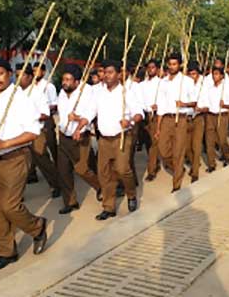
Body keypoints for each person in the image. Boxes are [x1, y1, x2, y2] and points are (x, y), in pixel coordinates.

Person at [0, 57, 48, 271]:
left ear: (9, 74)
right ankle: (7, 251)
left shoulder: (21, 99)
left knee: (10, 206)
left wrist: (6, 142)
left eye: (0, 73)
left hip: (15, 157)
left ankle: (37, 227)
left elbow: (33, 132)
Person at [76, 60, 143, 220]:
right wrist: (81, 126)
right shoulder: (98, 93)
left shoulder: (126, 92)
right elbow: (90, 112)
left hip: (122, 137)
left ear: (119, 74)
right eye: (105, 72)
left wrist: (130, 121)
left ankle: (131, 194)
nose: (106, 75)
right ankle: (109, 207)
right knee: (104, 174)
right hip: (104, 139)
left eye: (110, 72)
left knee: (122, 169)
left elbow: (139, 113)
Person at [56, 64, 102, 214]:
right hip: (63, 135)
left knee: (81, 169)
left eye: (68, 80)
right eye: (63, 79)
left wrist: (76, 119)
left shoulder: (87, 92)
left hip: (80, 136)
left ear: (77, 81)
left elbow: (91, 113)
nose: (65, 82)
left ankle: (100, 186)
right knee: (63, 171)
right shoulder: (62, 92)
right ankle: (70, 201)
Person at [17, 63, 60, 195]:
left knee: (42, 158)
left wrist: (29, 117)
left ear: (30, 77)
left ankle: (57, 184)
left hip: (36, 131)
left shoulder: (37, 93)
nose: (19, 78)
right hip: (19, 132)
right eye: (17, 75)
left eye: (22, 75)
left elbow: (45, 113)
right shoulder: (15, 92)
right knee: (20, 161)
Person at [155, 53, 195, 193]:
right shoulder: (163, 81)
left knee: (178, 151)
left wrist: (184, 103)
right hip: (166, 119)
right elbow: (160, 105)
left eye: (175, 64)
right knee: (163, 151)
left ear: (179, 65)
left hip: (181, 118)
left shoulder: (187, 81)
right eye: (170, 64)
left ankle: (176, 183)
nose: (172, 67)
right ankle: (179, 168)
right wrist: (158, 127)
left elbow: (195, 102)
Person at [199, 66, 229, 171]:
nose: (215, 76)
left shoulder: (226, 89)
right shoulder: (209, 89)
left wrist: (224, 105)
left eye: (217, 74)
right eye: (214, 74)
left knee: (222, 139)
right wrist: (201, 108)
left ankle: (227, 156)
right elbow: (204, 102)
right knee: (209, 140)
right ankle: (211, 164)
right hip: (210, 115)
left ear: (222, 76)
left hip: (221, 115)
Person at [140, 59, 162, 181]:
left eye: (153, 67)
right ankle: (155, 163)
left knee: (154, 143)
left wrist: (159, 105)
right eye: (148, 67)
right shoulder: (142, 84)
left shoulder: (161, 83)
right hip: (144, 115)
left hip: (156, 115)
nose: (150, 70)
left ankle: (151, 170)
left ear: (157, 69)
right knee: (148, 143)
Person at [185, 61, 206, 182]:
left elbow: (206, 102)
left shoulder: (203, 85)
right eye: (190, 74)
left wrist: (200, 108)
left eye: (194, 74)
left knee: (196, 145)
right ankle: (194, 163)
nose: (192, 76)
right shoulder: (184, 85)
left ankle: (195, 173)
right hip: (186, 118)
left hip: (198, 117)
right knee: (187, 147)